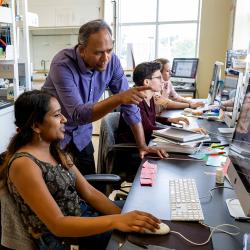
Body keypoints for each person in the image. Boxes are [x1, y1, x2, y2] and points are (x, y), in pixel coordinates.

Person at [0, 90, 161, 250]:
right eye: (57, 115)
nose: (64, 119)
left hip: (84, 217)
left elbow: (89, 193)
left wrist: (123, 215)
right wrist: (117, 221)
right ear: (36, 125)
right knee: (147, 241)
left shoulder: (55, 150)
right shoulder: (24, 164)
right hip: (65, 239)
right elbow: (58, 224)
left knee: (150, 211)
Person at [42, 19, 166, 176]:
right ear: (82, 50)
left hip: (82, 137)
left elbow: (130, 106)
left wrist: (142, 146)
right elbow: (78, 114)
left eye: (109, 50)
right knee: (60, 193)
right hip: (55, 136)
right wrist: (120, 98)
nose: (105, 58)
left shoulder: (112, 62)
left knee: (91, 187)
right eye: (98, 52)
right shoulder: (63, 64)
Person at [117, 61, 190, 145]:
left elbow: (149, 120)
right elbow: (148, 129)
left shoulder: (149, 97)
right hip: (132, 150)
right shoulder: (135, 101)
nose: (162, 81)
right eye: (159, 78)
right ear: (147, 82)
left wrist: (170, 119)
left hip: (148, 142)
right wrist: (184, 132)